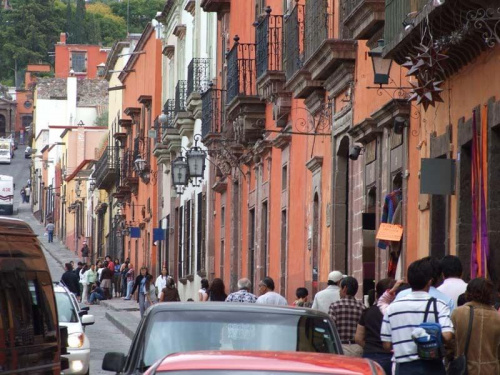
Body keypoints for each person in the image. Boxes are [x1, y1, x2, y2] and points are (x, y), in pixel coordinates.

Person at [381, 259, 454, 375]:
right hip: (432, 367)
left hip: (404, 368)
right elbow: (448, 335)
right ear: (430, 281)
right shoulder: (439, 305)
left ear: (409, 281)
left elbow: (386, 344)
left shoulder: (392, 308)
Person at [450, 278, 500, 375]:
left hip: (464, 370)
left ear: (468, 292)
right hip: (490, 370)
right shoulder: (497, 318)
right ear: (490, 294)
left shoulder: (458, 313)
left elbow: (451, 342)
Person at [355, 278, 396, 374]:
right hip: (390, 356)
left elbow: (358, 338)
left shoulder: (368, 312)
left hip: (370, 357)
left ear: (377, 294)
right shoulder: (395, 313)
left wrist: (370, 346)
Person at [328, 276, 365, 357]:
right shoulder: (363, 307)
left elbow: (330, 328)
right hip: (358, 348)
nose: (339, 291)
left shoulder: (334, 306)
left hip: (340, 347)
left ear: (344, 288)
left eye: (340, 288)